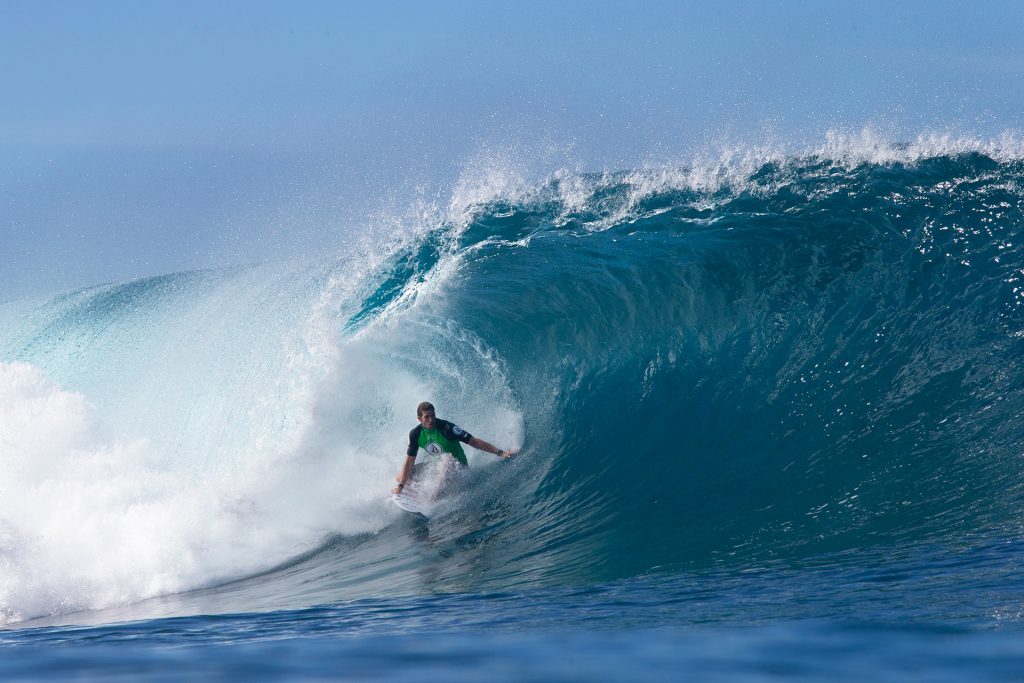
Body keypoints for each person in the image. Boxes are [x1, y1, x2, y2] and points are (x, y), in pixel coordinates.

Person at [393, 401, 517, 494]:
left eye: (433, 415)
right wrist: (401, 486)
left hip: (459, 468)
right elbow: (409, 461)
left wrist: (500, 452)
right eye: (427, 417)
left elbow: (474, 442)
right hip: (437, 469)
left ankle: (430, 499)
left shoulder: (447, 428)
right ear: (419, 419)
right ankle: (411, 491)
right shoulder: (415, 434)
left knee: (446, 460)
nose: (431, 420)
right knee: (401, 477)